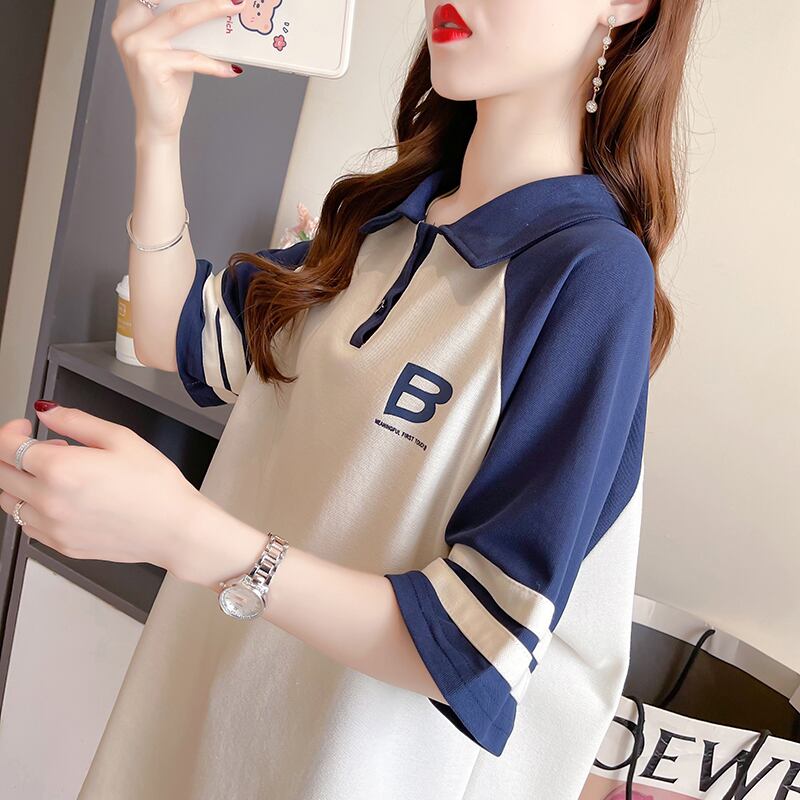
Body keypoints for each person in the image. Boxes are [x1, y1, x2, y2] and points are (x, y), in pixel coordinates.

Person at [0, 0, 703, 797]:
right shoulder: (376, 219)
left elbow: (471, 645)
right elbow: (174, 334)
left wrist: (184, 534)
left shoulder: (591, 277)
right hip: (190, 726)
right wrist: (157, 130)